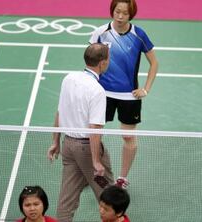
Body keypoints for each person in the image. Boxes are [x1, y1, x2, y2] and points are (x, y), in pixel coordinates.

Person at [89, 0, 159, 189]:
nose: (120, 17)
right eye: (117, 12)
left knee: (128, 137)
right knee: (95, 133)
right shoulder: (101, 33)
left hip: (129, 96)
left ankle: (121, 178)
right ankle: (94, 170)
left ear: (131, 15)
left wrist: (145, 88)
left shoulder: (138, 34)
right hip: (103, 93)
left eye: (124, 13)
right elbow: (90, 61)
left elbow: (154, 62)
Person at [47, 43, 114, 222]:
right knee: (110, 196)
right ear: (102, 63)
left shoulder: (68, 79)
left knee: (66, 200)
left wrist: (55, 141)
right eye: (108, 59)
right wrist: (96, 162)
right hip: (86, 150)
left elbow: (60, 111)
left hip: (68, 146)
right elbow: (94, 129)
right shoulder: (97, 91)